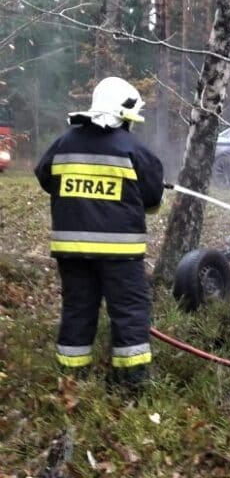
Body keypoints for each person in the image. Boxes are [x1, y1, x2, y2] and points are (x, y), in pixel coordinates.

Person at [35, 77, 164, 393]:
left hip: (71, 250)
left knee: (77, 310)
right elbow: (152, 201)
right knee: (129, 312)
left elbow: (45, 177)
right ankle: (131, 384)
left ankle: (71, 379)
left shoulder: (63, 144)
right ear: (123, 114)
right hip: (120, 254)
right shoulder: (134, 149)